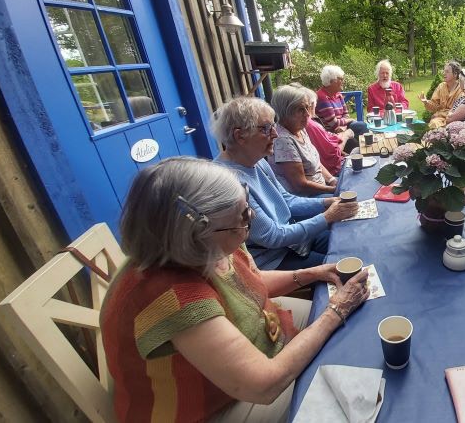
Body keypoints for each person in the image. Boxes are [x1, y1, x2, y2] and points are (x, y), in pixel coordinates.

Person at [100, 157, 369, 423]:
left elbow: (250, 281)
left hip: (256, 340)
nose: (251, 218)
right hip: (213, 406)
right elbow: (264, 385)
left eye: (246, 208)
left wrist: (312, 273)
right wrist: (336, 311)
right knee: (338, 389)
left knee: (345, 325)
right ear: (196, 234)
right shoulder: (172, 297)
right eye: (242, 217)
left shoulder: (210, 244)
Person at [212, 97, 357, 270]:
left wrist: (327, 202)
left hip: (293, 241)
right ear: (240, 136)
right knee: (344, 266)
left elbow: (287, 200)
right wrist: (328, 216)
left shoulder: (257, 160)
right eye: (266, 128)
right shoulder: (229, 183)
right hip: (274, 259)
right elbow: (272, 237)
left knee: (351, 242)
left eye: (273, 126)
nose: (275, 134)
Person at [269, 84, 338, 196]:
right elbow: (300, 186)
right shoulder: (283, 140)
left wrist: (332, 180)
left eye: (307, 107)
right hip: (308, 197)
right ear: (285, 112)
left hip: (322, 188)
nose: (307, 114)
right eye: (300, 109)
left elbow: (315, 163)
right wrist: (334, 190)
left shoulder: (299, 129)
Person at [315, 65, 368, 152]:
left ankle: (368, 149)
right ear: (332, 81)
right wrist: (350, 120)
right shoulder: (322, 97)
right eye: (341, 79)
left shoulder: (338, 94)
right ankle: (360, 153)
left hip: (341, 127)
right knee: (355, 145)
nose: (343, 81)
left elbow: (346, 114)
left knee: (362, 125)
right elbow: (333, 123)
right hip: (330, 132)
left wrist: (344, 126)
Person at [304, 87, 348, 176]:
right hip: (334, 169)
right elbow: (332, 154)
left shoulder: (310, 122)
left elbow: (346, 113)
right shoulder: (310, 124)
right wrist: (346, 135)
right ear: (311, 105)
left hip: (337, 131)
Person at [419, 60, 463, 128]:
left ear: (455, 74)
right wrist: (426, 102)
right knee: (434, 123)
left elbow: (461, 109)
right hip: (439, 118)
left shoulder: (461, 88)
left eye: (447, 72)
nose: (444, 74)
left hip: (454, 119)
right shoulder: (441, 86)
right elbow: (434, 106)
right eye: (444, 71)